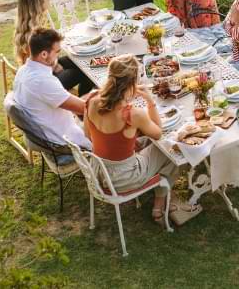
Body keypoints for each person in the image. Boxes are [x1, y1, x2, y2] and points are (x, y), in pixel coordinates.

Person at [82, 55, 200, 225]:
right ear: (133, 82)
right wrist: (149, 101)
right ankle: (159, 209)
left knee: (146, 141)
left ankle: (164, 196)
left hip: (98, 170)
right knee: (170, 151)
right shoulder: (132, 114)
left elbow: (88, 135)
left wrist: (123, 142)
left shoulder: (92, 100)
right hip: (124, 177)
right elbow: (158, 133)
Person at [12, 28, 91, 150]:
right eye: (57, 52)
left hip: (47, 129)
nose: (58, 56)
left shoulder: (22, 71)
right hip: (62, 140)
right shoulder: (43, 81)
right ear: (44, 54)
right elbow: (85, 109)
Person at [13, 0, 95, 96]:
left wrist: (55, 63)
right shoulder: (33, 34)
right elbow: (41, 64)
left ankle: (84, 100)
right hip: (44, 80)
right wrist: (55, 65)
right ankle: (83, 107)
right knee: (86, 71)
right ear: (38, 3)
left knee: (80, 59)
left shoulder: (27, 27)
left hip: (44, 68)